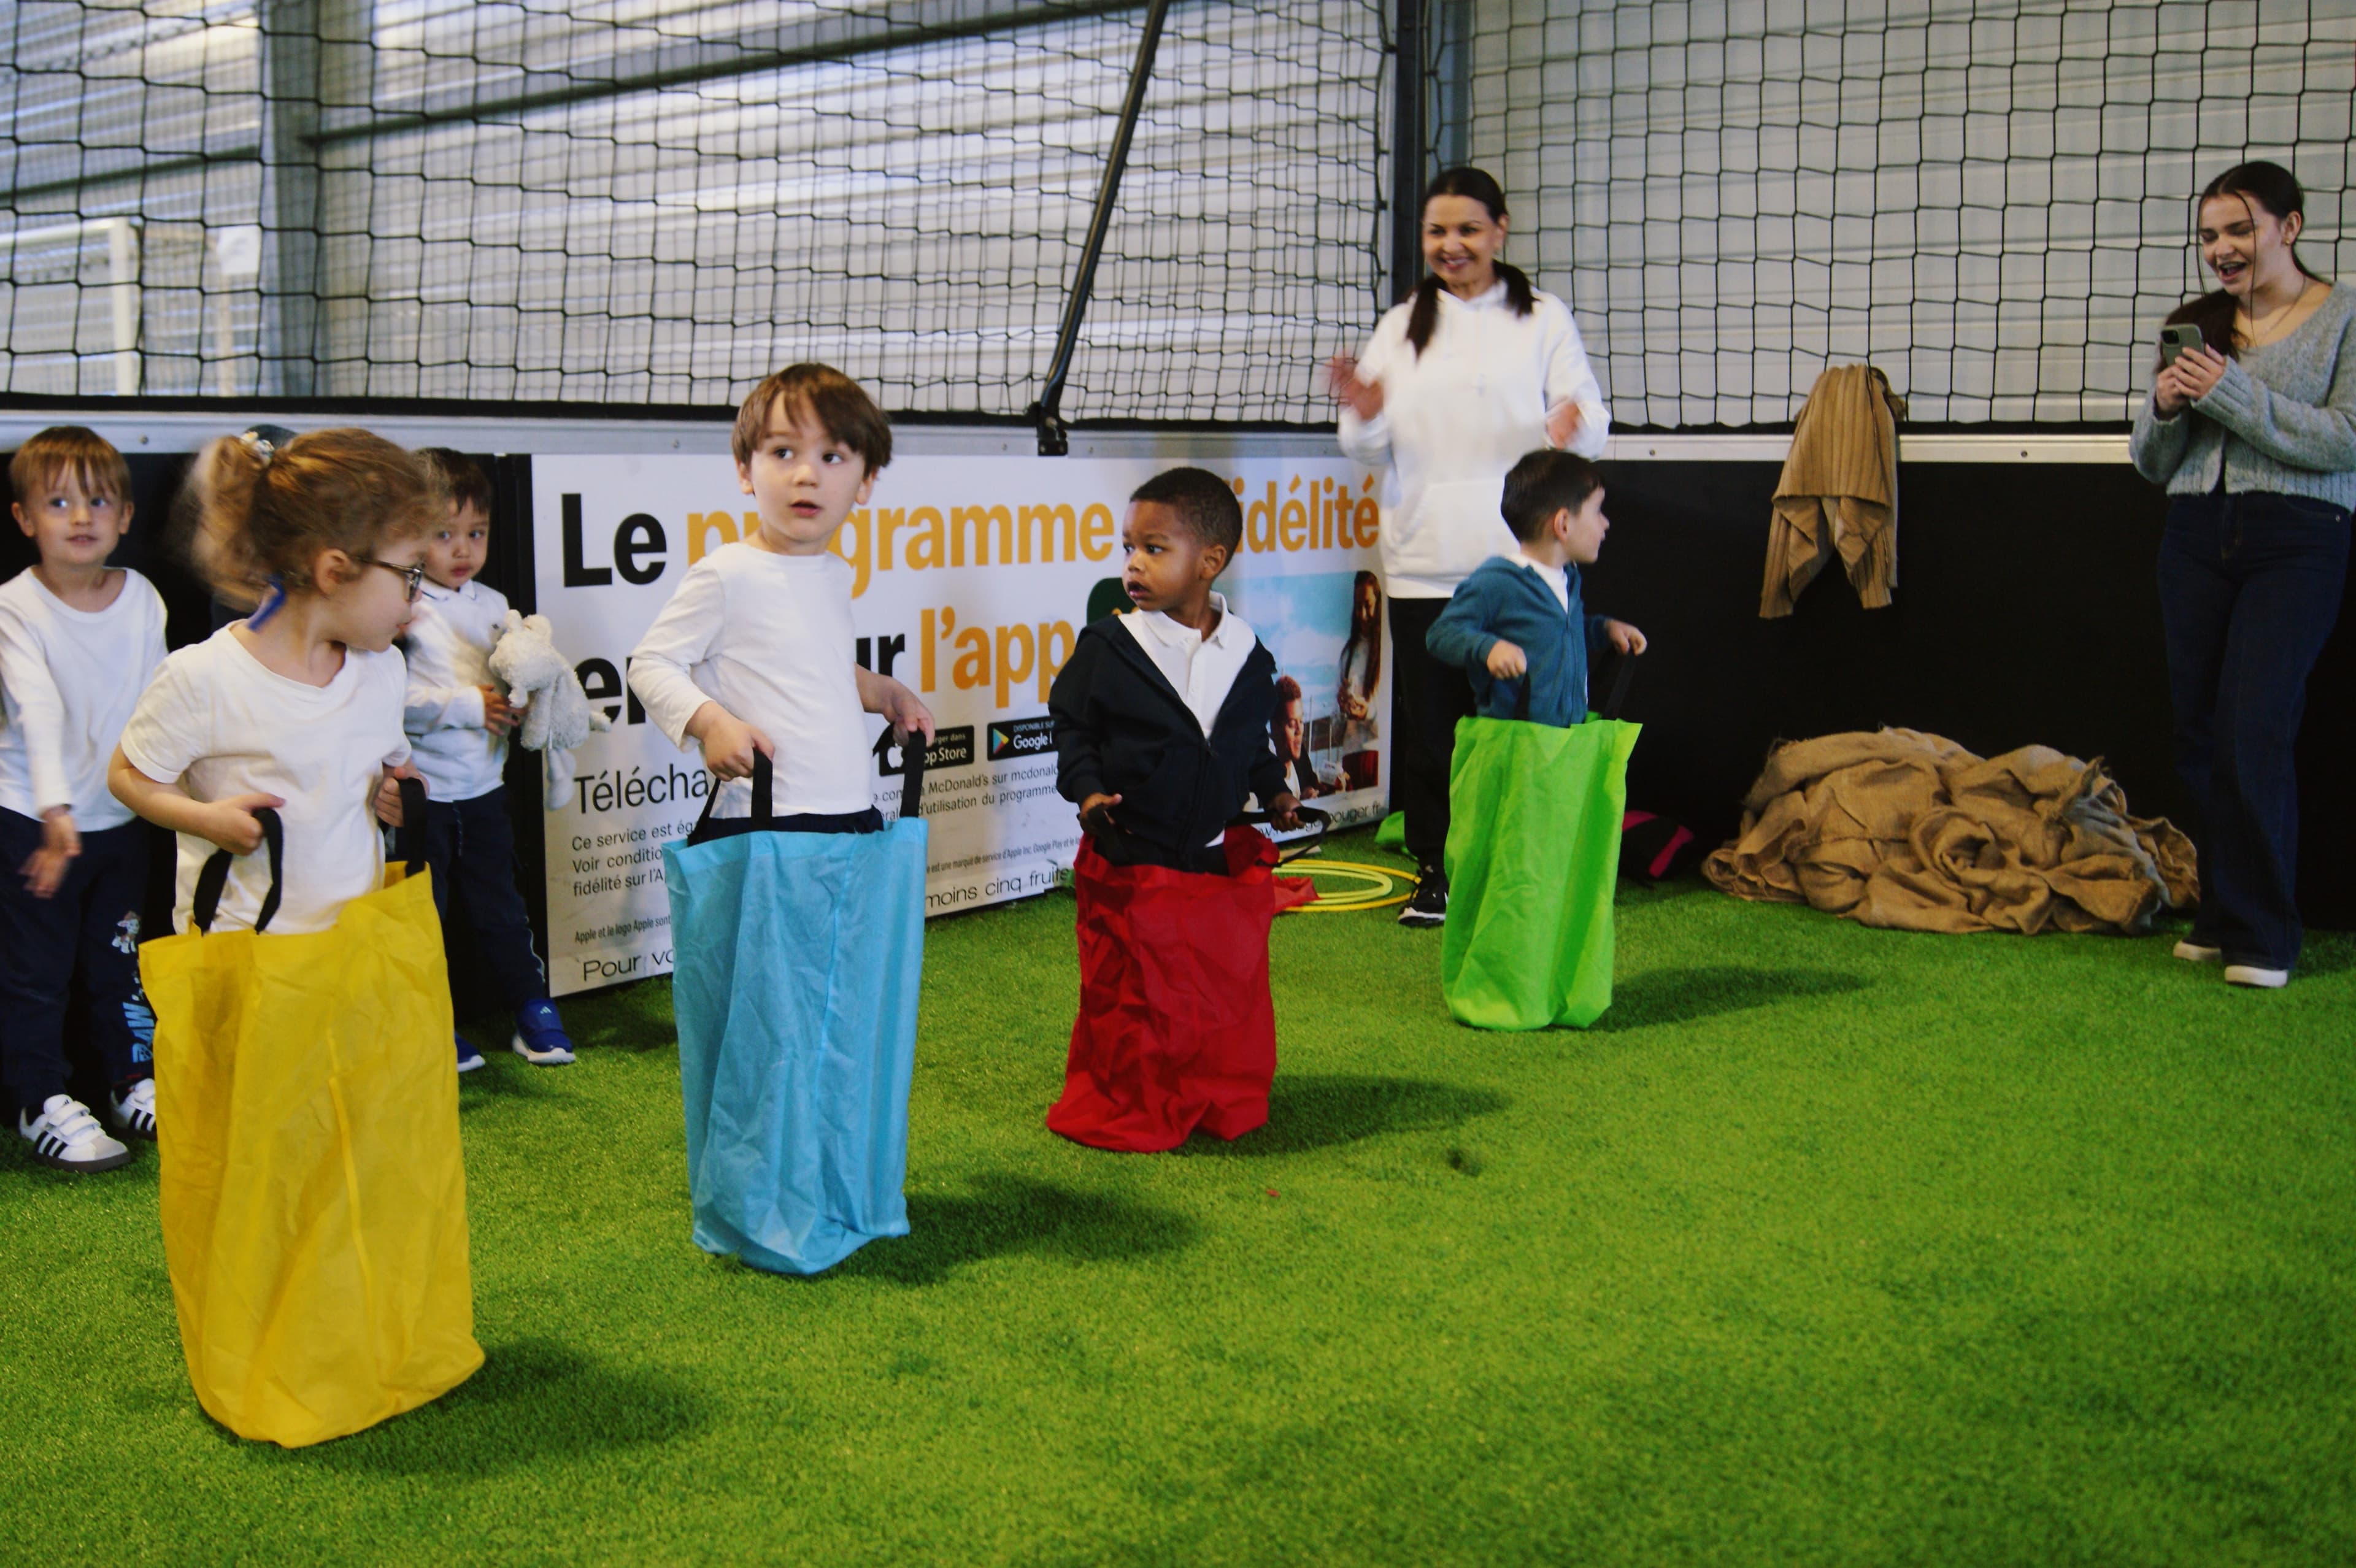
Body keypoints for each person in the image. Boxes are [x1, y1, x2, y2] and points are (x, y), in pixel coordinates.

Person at [1329, 166, 1609, 926]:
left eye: (1468, 230)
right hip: (1424, 564)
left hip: (1518, 570)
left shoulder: (1544, 317)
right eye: (1437, 233)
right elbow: (1367, 447)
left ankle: (1526, 871)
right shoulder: (1401, 325)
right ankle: (1435, 874)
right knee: (1433, 734)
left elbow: (1591, 416)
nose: (1451, 246)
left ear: (1501, 229)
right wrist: (1362, 410)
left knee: (1524, 728)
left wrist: (1569, 426)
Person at [2130, 160, 2356, 990]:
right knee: (2197, 731)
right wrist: (2162, 410)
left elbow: (2346, 441)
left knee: (2252, 728)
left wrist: (2228, 394)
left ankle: (2266, 933)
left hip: (2298, 536)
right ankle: (2222, 914)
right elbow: (2155, 465)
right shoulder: (2196, 324)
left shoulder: (2346, 318)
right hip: (2195, 533)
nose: (2222, 250)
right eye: (2209, 236)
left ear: (2288, 228)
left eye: (2239, 230)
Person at [1045, 467, 1303, 1150]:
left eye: (1154, 549)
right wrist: (1088, 791)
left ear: (1209, 563)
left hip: (1211, 855)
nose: (1133, 564)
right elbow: (1072, 730)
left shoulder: (1248, 653)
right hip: (1130, 851)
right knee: (1133, 991)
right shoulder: (1108, 647)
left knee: (1213, 987)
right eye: (1129, 547)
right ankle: (1132, 1097)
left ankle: (1209, 1092)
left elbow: (1248, 742)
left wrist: (1275, 789)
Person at [110, 429, 431, 942]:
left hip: (352, 946)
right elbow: (129, 775)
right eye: (411, 574)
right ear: (334, 571)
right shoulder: (204, 679)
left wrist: (401, 791)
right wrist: (203, 819)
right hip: (244, 958)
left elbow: (396, 765)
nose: (419, 598)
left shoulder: (383, 668)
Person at [627, 363, 934, 825]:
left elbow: (812, 667)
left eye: (831, 457)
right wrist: (711, 723)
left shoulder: (832, 573)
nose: (807, 474)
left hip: (849, 811)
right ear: (746, 471)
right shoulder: (727, 573)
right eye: (784, 452)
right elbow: (650, 665)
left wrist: (884, 693)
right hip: (765, 820)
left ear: (866, 480)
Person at [0, 427, 168, 1170]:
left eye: (98, 501)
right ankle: (40, 1101)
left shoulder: (142, 598)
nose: (80, 517)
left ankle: (135, 1082)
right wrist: (56, 814)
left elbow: (168, 702)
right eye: (59, 501)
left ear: (126, 516)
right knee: (35, 974)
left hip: (123, 820)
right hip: (34, 824)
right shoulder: (15, 607)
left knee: (121, 961)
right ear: (24, 518)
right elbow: (35, 707)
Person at [402, 448, 572, 1072]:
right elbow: (386, 699)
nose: (462, 549)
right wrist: (468, 707)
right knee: (425, 918)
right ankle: (428, 1024)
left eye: (475, 533)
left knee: (502, 906)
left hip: (485, 792)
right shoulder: (400, 607)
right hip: (423, 798)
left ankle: (532, 1008)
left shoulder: (495, 603)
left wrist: (520, 707)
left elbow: (513, 680)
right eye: (443, 534)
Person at [1426, 449, 1646, 725]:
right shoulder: (1496, 581)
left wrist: (1604, 630)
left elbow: (1556, 633)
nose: (1606, 523)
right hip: (1516, 750)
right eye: (1598, 511)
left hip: (1563, 745)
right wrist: (1489, 648)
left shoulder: (1568, 578)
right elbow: (1441, 634)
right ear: (1563, 524)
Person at [1334, 569, 1382, 788]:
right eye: (1357, 606)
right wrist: (1342, 707)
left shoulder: (1387, 651)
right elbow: (1337, 728)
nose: (1362, 614)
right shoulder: (1347, 655)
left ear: (1379, 604)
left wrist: (1368, 713)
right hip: (1351, 757)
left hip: (1376, 754)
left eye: (1368, 605)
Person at [1272, 675, 1326, 801]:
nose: (1300, 730)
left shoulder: (1301, 759)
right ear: (1275, 727)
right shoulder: (1263, 773)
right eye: (1292, 724)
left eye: (1301, 721)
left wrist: (1327, 789)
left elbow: (1315, 786)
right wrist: (1301, 806)